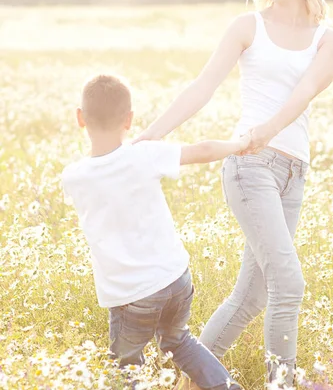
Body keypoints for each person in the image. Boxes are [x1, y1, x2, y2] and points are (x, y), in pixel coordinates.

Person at [133, 0, 333, 387]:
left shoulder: (329, 40)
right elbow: (203, 86)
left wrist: (268, 130)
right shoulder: (247, 26)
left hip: (293, 172)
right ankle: (281, 384)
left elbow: (305, 91)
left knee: (252, 296)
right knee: (288, 284)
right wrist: (153, 134)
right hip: (250, 168)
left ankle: (191, 381)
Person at [61, 73, 250, 390]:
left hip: (131, 296)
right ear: (130, 119)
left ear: (80, 118)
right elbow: (202, 149)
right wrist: (241, 144)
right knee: (180, 342)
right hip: (176, 279)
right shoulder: (144, 155)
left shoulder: (74, 177)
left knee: (126, 365)